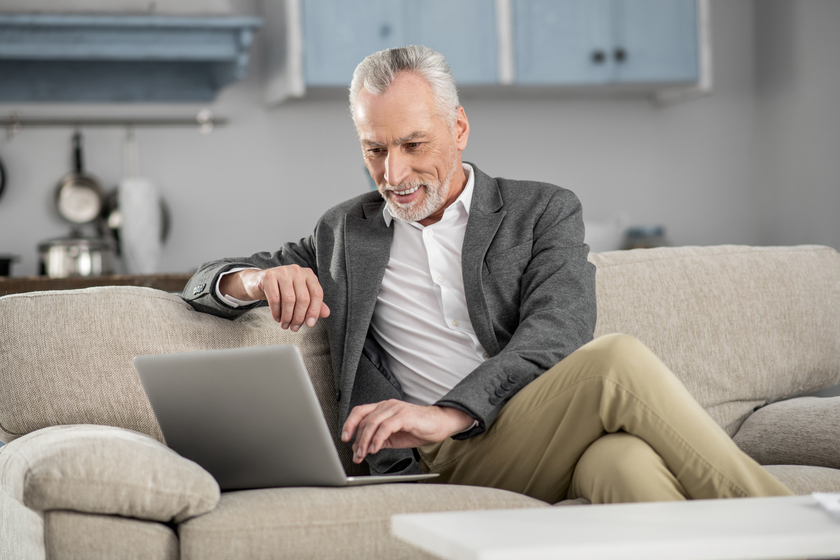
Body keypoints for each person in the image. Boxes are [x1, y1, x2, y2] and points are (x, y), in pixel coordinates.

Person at [183, 45, 791, 504]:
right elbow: (200, 284)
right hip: (425, 461)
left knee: (623, 464)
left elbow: (559, 332)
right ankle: (793, 523)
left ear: (459, 128)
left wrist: (451, 410)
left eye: (414, 144)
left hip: (523, 432)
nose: (393, 172)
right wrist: (255, 282)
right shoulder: (345, 231)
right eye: (374, 148)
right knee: (619, 364)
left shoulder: (543, 210)